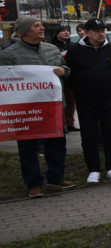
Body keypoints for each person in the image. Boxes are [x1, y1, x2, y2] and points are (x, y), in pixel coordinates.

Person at [0, 16, 76, 196]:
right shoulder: (8, 55)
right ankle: (34, 184)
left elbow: (67, 71)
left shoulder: (52, 49)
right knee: (28, 148)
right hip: (26, 110)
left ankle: (56, 178)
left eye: (41, 25)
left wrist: (63, 71)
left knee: (57, 143)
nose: (42, 28)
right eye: (36, 26)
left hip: (53, 107)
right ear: (24, 32)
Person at [65, 18, 111, 183]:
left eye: (103, 30)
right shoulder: (75, 51)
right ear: (88, 32)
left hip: (108, 99)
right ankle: (93, 169)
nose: (101, 33)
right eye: (97, 31)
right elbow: (69, 74)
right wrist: (80, 89)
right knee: (89, 135)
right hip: (85, 101)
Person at [51, 24, 77, 131]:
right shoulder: (52, 47)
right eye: (63, 31)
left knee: (71, 102)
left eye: (68, 30)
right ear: (57, 34)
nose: (66, 32)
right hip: (58, 78)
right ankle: (63, 124)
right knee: (61, 102)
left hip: (70, 78)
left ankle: (70, 123)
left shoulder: (73, 46)